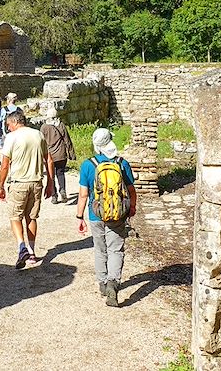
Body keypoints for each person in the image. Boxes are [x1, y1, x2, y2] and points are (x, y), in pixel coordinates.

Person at [76, 127, 137, 307]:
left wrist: (79, 217)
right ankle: (113, 283)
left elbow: (83, 194)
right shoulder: (121, 163)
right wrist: (131, 207)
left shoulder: (88, 164)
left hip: (96, 214)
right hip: (117, 214)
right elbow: (131, 190)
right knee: (115, 249)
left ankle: (102, 283)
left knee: (100, 249)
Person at [0, 110, 55, 269]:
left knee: (15, 217)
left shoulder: (11, 137)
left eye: (8, 125)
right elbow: (49, 160)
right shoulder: (38, 134)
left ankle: (21, 246)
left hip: (19, 183)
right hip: (36, 182)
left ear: (15, 122)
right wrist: (50, 183)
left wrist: (0, 186)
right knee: (31, 217)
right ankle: (31, 253)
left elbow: (4, 166)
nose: (8, 128)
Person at [39, 108, 75, 204]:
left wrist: (40, 155)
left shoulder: (44, 127)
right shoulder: (61, 125)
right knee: (60, 173)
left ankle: (54, 196)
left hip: (49, 155)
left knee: (51, 175)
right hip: (61, 154)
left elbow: (41, 142)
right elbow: (67, 140)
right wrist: (71, 154)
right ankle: (62, 190)